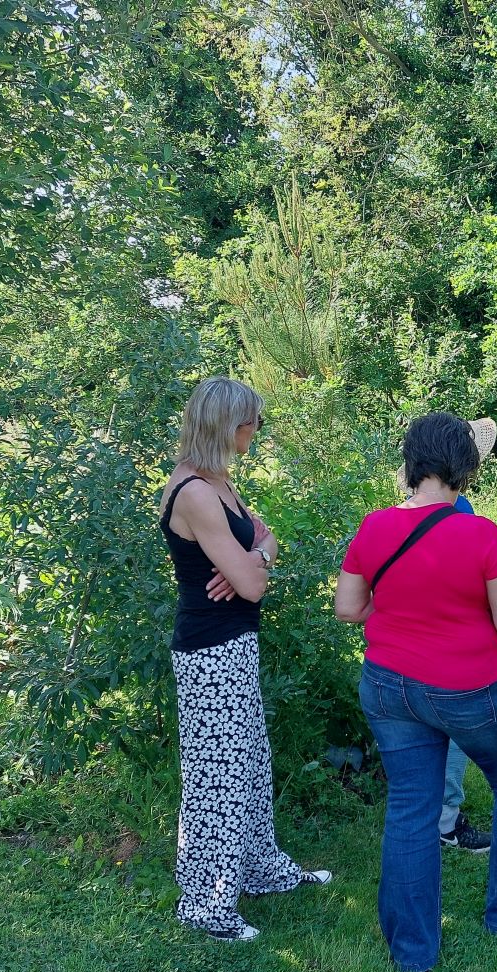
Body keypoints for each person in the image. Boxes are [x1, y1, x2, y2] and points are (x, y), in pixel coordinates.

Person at [336, 411, 497, 972]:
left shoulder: (374, 526)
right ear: (463, 467)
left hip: (389, 685)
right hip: (467, 686)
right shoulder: (479, 532)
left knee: (412, 806)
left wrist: (389, 614)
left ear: (411, 465)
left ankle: (412, 953)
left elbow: (347, 608)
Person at [158, 376, 332, 942]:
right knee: (218, 777)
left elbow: (268, 543)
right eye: (252, 421)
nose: (257, 430)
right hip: (209, 651)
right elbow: (254, 586)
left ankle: (259, 870)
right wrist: (250, 569)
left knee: (249, 764)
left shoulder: (220, 482)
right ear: (227, 425)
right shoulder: (194, 493)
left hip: (233, 645)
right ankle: (206, 904)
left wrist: (251, 557)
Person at [399, 418, 497, 855]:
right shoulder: (464, 513)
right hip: (458, 638)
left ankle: (428, 810)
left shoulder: (399, 512)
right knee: (457, 729)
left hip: (410, 643)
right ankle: (444, 818)